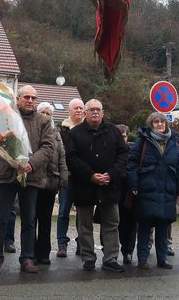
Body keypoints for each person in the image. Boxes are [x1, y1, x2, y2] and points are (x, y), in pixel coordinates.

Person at [0, 85, 55, 275]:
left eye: (34, 98)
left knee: (29, 220)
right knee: (0, 218)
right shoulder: (5, 116)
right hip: (6, 174)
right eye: (26, 97)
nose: (30, 101)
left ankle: (27, 258)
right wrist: (8, 153)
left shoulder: (44, 121)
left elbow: (48, 147)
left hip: (31, 176)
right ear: (18, 98)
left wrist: (30, 164)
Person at [66, 99, 128, 272]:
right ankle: (88, 258)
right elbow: (71, 158)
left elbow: (123, 155)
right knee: (84, 225)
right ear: (84, 112)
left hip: (110, 185)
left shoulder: (114, 132)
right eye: (91, 109)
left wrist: (112, 174)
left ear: (103, 113)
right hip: (84, 186)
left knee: (112, 223)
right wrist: (90, 176)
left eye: (98, 109)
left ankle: (110, 258)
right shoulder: (75, 133)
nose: (95, 112)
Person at [127, 113, 179, 269]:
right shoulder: (143, 141)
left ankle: (162, 259)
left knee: (163, 226)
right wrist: (133, 185)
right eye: (156, 122)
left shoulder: (174, 142)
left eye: (162, 122)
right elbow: (131, 164)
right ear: (150, 124)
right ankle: (142, 259)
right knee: (145, 226)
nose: (160, 124)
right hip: (146, 189)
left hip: (167, 190)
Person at [33, 102, 68, 264]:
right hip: (33, 181)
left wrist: (63, 176)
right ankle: (30, 252)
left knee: (46, 219)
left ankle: (44, 253)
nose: (46, 115)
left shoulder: (56, 134)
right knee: (31, 219)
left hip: (50, 181)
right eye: (43, 112)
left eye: (49, 113)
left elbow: (61, 157)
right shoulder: (32, 130)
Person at [57, 98, 85, 257]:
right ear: (69, 111)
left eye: (81, 108)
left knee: (82, 212)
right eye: (76, 108)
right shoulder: (62, 130)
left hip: (83, 178)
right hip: (67, 177)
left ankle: (82, 243)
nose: (79, 111)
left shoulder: (89, 129)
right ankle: (62, 244)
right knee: (63, 211)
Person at [116, 123, 138, 265]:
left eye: (123, 136)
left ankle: (128, 252)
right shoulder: (109, 152)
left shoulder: (133, 153)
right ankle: (109, 252)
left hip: (128, 194)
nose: (121, 139)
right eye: (119, 136)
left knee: (129, 225)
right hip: (112, 192)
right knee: (110, 225)